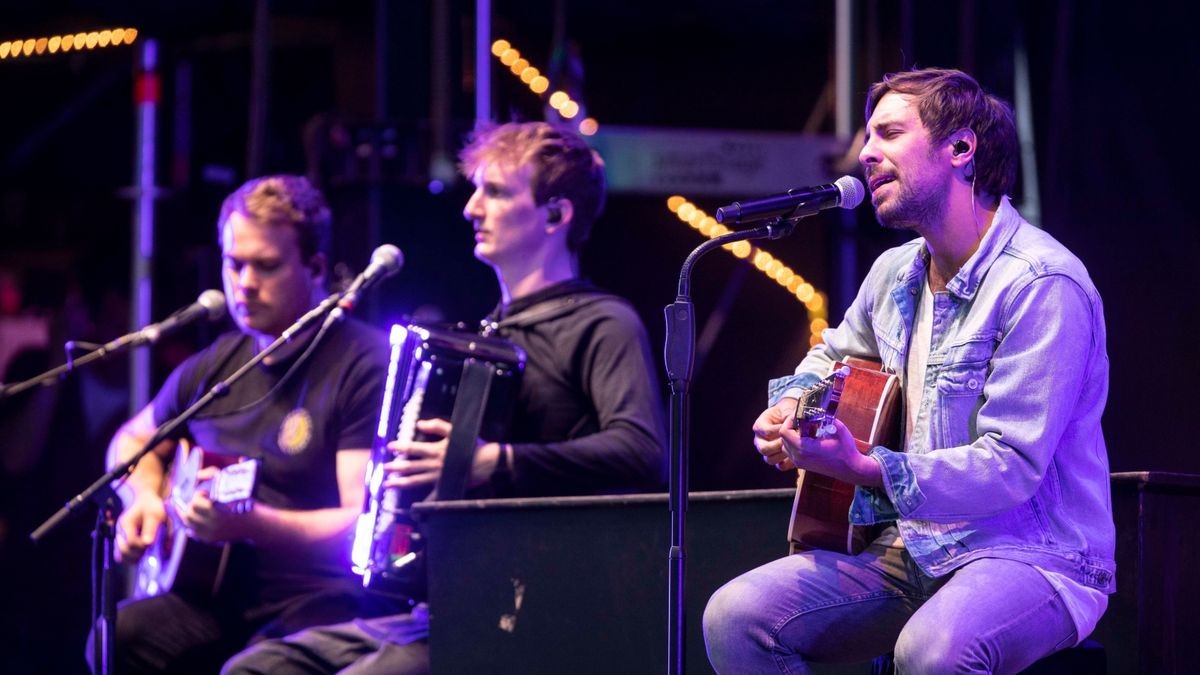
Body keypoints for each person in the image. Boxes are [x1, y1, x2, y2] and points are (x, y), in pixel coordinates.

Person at [703, 68, 1114, 673]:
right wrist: (792, 404)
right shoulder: (895, 272)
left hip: (1033, 555)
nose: (866, 153)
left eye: (889, 133)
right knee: (735, 617)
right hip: (915, 545)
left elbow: (1013, 464)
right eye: (869, 137)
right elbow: (830, 355)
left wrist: (868, 469)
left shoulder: (1042, 284)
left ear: (961, 149)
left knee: (932, 651)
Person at [222, 121, 666, 674]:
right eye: (476, 189)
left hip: (543, 603)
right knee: (255, 669)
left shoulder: (604, 322)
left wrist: (493, 461)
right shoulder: (489, 334)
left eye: (496, 192)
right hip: (458, 597)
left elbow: (642, 449)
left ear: (556, 214)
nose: (471, 208)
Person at [94, 175, 394, 673]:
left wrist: (258, 525)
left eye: (267, 266)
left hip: (318, 600)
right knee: (116, 637)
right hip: (216, 595)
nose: (244, 283)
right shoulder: (217, 363)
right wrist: (144, 496)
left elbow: (361, 520)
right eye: (234, 264)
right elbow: (133, 438)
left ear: (316, 267)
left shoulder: (362, 363)